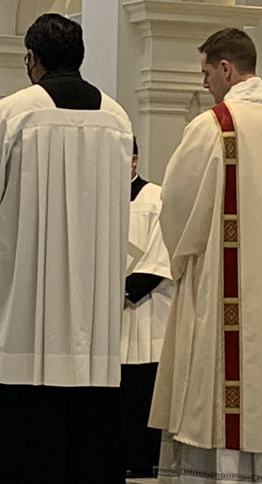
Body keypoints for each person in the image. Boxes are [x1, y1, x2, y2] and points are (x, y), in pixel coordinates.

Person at [0, 14, 133, 483]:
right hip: (91, 299)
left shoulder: (15, 112)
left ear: (31, 59)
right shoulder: (116, 116)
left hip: (25, 289)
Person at [150, 28, 262, 482]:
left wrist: (187, 262)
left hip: (226, 289)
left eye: (205, 73)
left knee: (221, 394)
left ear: (226, 68)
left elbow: (175, 206)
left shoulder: (216, 124)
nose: (204, 84)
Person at [121, 138, 174, 478]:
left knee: (144, 386)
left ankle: (145, 457)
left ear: (134, 160)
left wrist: (126, 288)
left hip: (148, 307)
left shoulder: (156, 198)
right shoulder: (93, 199)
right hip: (108, 316)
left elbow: (162, 252)